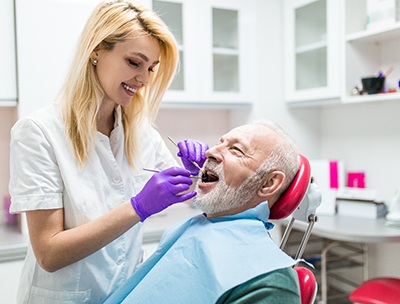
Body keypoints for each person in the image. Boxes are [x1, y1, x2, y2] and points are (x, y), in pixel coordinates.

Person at [8, 1, 208, 303]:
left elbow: (183, 193)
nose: (145, 79)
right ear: (96, 50)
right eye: (134, 62)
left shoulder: (139, 132)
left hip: (124, 293)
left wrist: (195, 172)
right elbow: (49, 252)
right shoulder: (38, 132)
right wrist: (137, 207)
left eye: (151, 68)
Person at [104, 120, 302, 304]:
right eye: (219, 143)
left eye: (236, 149)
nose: (210, 152)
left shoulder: (268, 281)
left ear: (269, 183)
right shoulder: (192, 228)